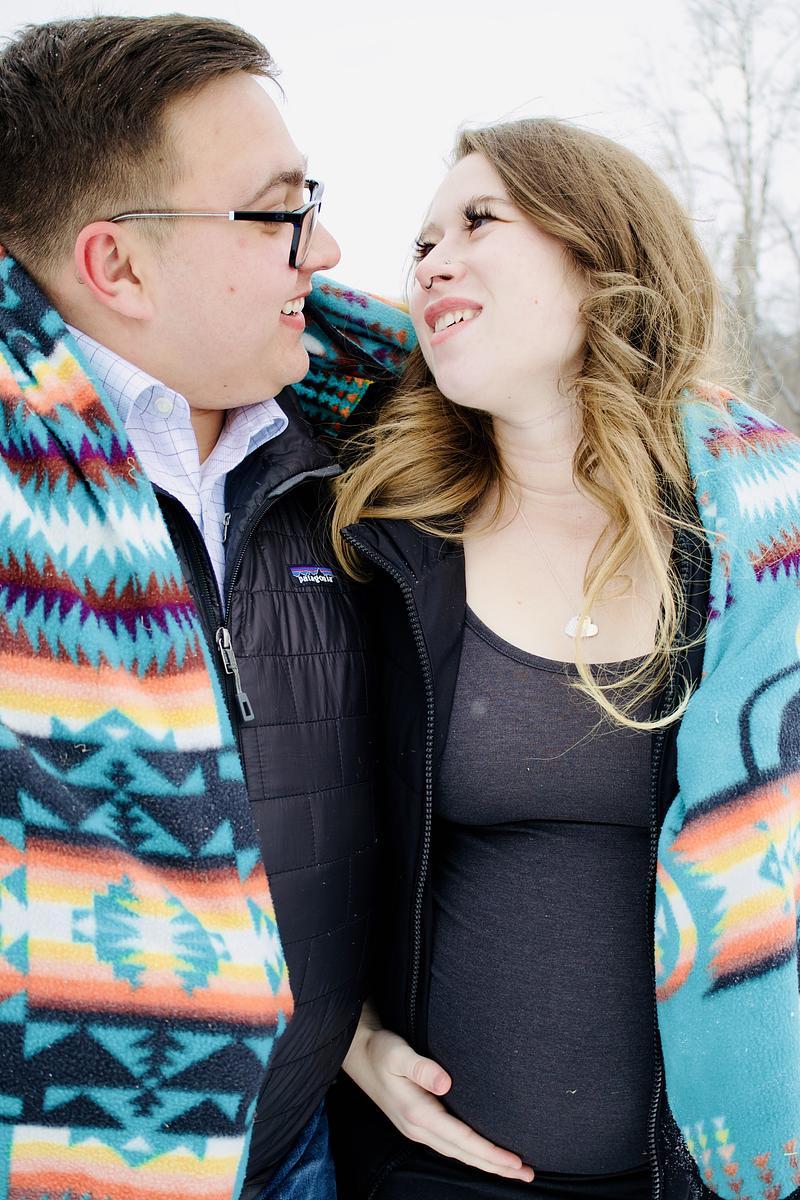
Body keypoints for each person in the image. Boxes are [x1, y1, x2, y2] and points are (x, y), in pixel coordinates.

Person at [329, 118, 800, 1200]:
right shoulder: (381, 535)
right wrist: (344, 1032)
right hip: (435, 1174)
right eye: (420, 245)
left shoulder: (760, 541)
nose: (430, 261)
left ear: (600, 254)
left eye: (477, 221)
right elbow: (288, 810)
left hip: (699, 1176)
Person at [0, 15, 399, 1199]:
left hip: (303, 1144)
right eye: (277, 214)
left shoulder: (360, 443)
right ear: (117, 266)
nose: (325, 250)